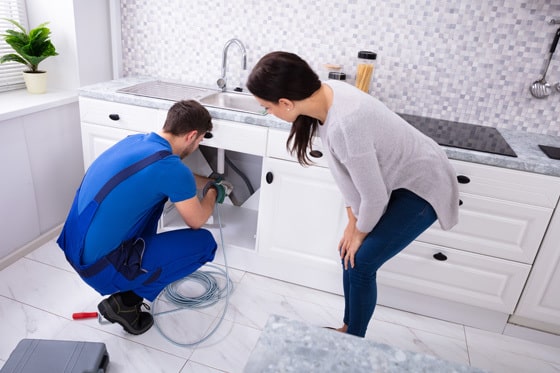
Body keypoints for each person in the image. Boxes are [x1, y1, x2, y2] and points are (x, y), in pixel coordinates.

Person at [246, 51, 459, 337]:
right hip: (396, 179)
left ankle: (352, 340)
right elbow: (348, 178)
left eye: (267, 107)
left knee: (361, 261)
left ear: (285, 103)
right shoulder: (324, 96)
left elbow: (374, 198)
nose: (268, 113)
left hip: (424, 184)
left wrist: (358, 232)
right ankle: (347, 328)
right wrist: (352, 222)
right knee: (350, 254)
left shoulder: (346, 123)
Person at [57, 100, 232, 335]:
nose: (199, 143)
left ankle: (129, 280)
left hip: (76, 250)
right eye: (200, 139)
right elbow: (196, 220)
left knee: (150, 203)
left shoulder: (135, 143)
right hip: (101, 269)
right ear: (191, 135)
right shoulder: (171, 168)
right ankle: (126, 304)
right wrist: (213, 192)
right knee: (204, 244)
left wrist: (206, 181)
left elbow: (175, 175)